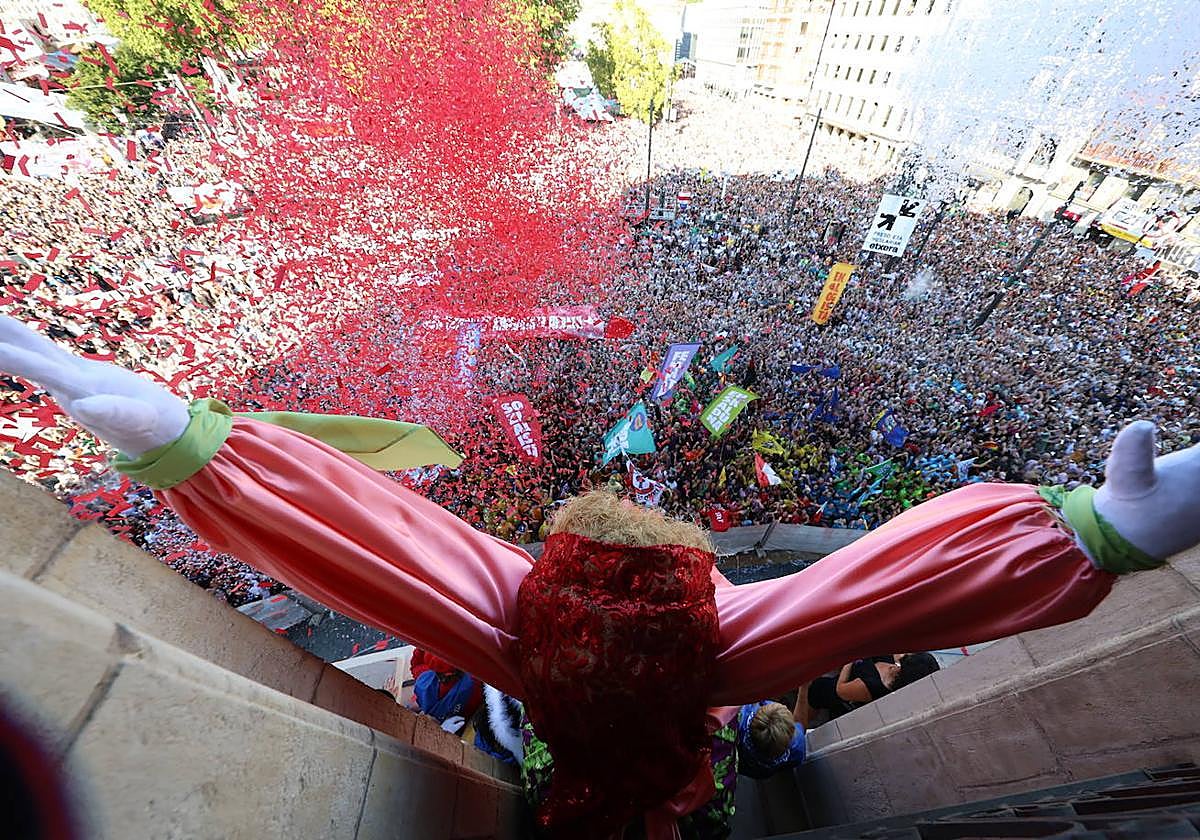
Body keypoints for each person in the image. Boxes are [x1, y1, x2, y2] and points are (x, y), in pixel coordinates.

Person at [2, 314, 1199, 840]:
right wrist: (1089, 533)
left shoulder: (510, 632)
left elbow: (381, 553)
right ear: (694, 577)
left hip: (556, 792)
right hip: (686, 796)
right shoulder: (722, 656)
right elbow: (872, 598)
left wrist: (193, 445)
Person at [798, 652, 940, 726]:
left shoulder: (875, 687)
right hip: (849, 669)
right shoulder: (896, 661)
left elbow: (840, 690)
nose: (906, 656)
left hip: (831, 689)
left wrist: (849, 661)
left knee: (814, 694)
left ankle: (802, 721)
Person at [736, 700, 805, 779]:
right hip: (759, 772)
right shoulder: (796, 750)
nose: (785, 706)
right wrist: (803, 693)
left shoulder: (738, 718)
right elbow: (800, 727)